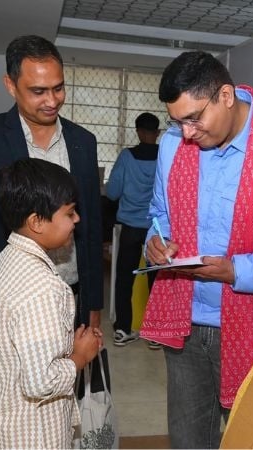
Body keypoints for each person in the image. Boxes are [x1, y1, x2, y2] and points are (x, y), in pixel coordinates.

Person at [140, 51, 253, 448]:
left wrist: (237, 271)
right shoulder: (171, 146)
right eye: (177, 120)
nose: (186, 132)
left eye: (195, 117)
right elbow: (158, 214)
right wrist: (157, 241)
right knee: (187, 440)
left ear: (226, 96)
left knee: (251, 439)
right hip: (185, 322)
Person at [0, 35, 103, 448]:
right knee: (4, 407)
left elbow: (89, 229)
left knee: (64, 406)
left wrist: (93, 307)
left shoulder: (82, 142)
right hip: (9, 307)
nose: (51, 100)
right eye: (38, 90)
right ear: (10, 85)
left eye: (58, 87)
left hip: (68, 297)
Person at [0, 159, 102, 448]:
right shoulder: (41, 287)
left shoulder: (0, 265)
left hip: (5, 424)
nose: (77, 220)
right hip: (35, 433)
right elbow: (40, 382)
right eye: (69, 213)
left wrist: (63, 342)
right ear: (36, 221)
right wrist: (79, 357)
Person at [105, 112, 160, 348]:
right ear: (157, 133)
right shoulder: (165, 157)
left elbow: (112, 193)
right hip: (156, 230)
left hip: (129, 227)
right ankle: (157, 334)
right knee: (157, 282)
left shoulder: (127, 157)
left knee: (124, 279)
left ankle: (122, 329)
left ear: (137, 131)